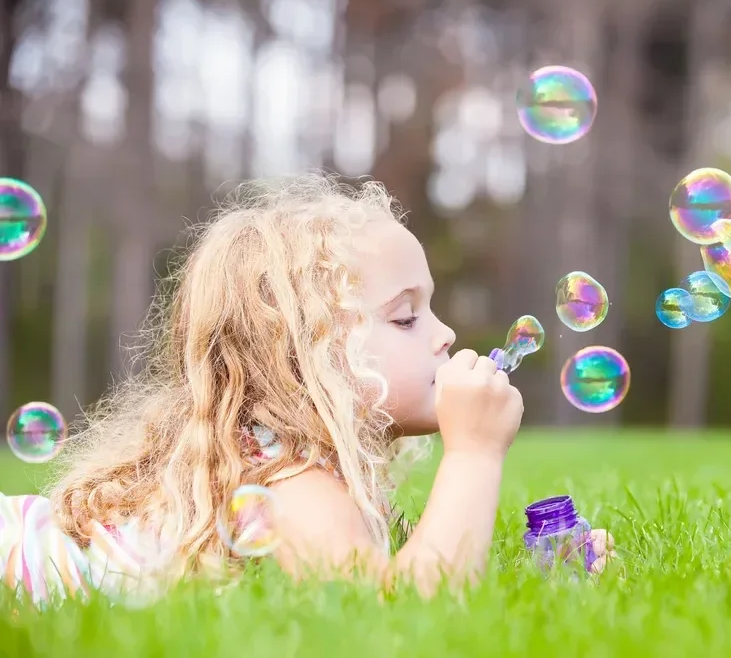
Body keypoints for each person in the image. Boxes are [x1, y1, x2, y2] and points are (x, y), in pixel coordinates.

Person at [0, 174, 615, 606]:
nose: (445, 333)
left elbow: (405, 572)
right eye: (406, 317)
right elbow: (410, 612)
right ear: (311, 359)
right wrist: (475, 454)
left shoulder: (296, 479)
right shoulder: (293, 490)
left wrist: (536, 576)